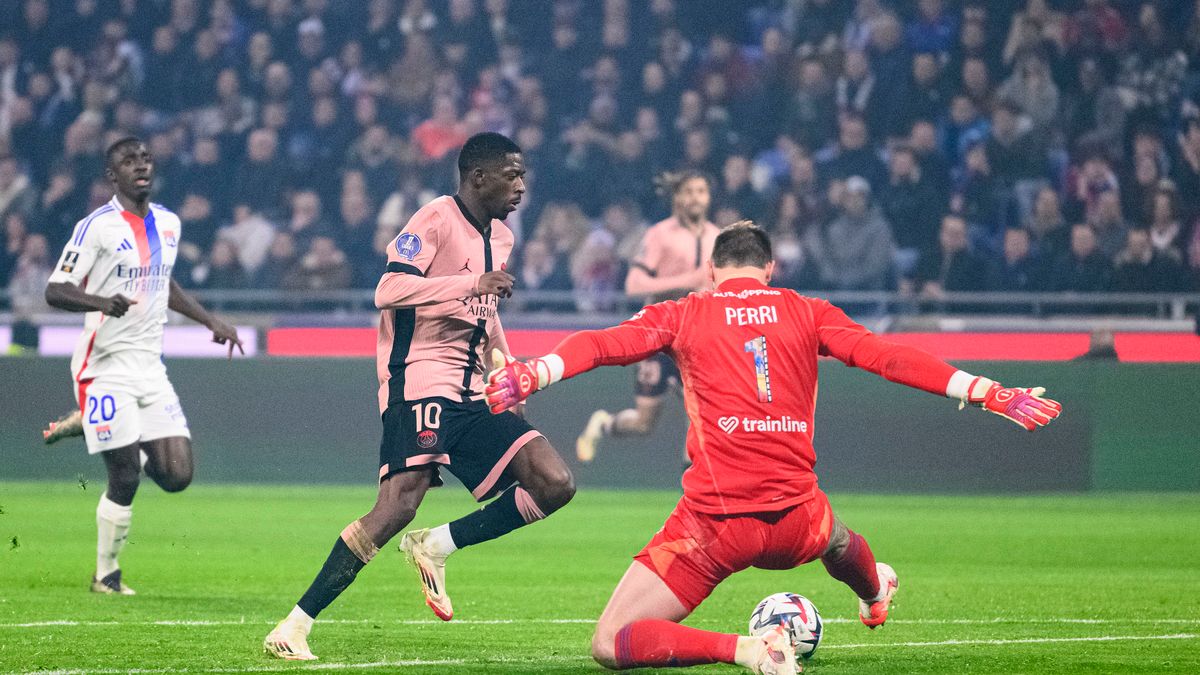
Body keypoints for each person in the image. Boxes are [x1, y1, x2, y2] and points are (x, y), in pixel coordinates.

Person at [485, 225, 1061, 674]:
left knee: (610, 642)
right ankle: (874, 591)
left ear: (711, 271)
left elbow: (606, 344)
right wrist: (986, 390)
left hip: (717, 526)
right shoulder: (808, 312)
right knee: (836, 538)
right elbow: (886, 357)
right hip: (797, 520)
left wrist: (537, 372)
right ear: (770, 269)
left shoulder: (686, 312)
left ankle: (748, 650)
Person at [263, 133, 576, 661]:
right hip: (419, 380)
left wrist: (510, 367)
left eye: (523, 176)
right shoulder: (433, 218)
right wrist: (471, 284)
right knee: (397, 506)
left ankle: (438, 545)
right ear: (478, 176)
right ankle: (294, 626)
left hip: (474, 388)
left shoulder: (501, 237)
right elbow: (388, 290)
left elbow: (488, 309)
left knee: (554, 482)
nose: (522, 186)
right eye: (513, 175)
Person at [41, 137, 243, 595]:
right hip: (104, 366)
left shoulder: (168, 224)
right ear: (112, 177)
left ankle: (87, 425)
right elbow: (55, 290)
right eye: (129, 161)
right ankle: (105, 575)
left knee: (177, 476)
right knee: (126, 473)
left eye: (146, 159)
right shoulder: (95, 227)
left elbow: (163, 283)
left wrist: (210, 319)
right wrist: (99, 301)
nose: (141, 166)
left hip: (151, 368)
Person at [575, 171, 719, 464]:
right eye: (689, 192)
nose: (695, 198)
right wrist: (684, 281)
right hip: (661, 335)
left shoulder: (717, 237)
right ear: (677, 197)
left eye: (701, 191)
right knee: (643, 422)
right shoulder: (659, 235)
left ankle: (691, 486)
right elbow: (634, 285)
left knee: (704, 412)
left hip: (698, 338)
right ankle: (604, 423)